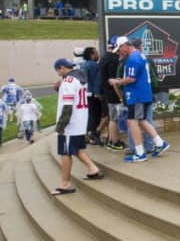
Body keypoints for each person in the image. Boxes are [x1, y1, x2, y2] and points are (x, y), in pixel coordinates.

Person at [108, 37, 170, 162]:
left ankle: (140, 152)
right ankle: (159, 143)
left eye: (119, 49)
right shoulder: (140, 56)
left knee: (132, 122)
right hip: (143, 94)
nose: (119, 53)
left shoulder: (133, 58)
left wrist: (117, 81)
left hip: (136, 95)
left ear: (125, 46)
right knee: (142, 120)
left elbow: (131, 79)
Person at [52, 58, 104, 195]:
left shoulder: (68, 82)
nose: (58, 74)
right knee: (77, 149)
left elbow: (68, 106)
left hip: (70, 124)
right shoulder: (81, 79)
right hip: (79, 121)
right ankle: (93, 168)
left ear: (61, 67)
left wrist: (61, 126)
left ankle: (65, 183)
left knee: (65, 152)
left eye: (58, 70)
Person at [99, 36, 126, 151]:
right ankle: (115, 142)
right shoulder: (113, 60)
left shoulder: (104, 57)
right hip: (113, 93)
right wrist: (121, 97)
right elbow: (114, 81)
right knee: (114, 118)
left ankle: (111, 140)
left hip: (107, 92)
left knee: (112, 117)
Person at [79, 47, 103, 145]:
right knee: (95, 116)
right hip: (94, 94)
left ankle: (86, 136)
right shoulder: (95, 66)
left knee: (89, 115)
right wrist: (98, 94)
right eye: (96, 53)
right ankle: (92, 134)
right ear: (92, 54)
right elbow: (98, 80)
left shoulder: (83, 65)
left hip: (85, 94)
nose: (98, 55)